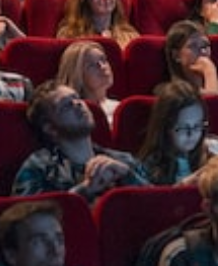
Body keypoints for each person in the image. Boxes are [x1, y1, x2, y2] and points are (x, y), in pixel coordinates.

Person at [11, 81, 148, 202]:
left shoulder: (123, 160)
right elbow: (27, 219)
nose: (77, 104)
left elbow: (159, 207)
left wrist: (127, 175)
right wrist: (84, 190)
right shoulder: (39, 166)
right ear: (50, 128)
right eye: (66, 106)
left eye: (77, 98)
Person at [136, 80, 218, 186]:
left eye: (197, 126)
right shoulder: (150, 165)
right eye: (183, 128)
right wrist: (182, 187)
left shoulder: (213, 150)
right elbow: (151, 200)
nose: (191, 134)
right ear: (165, 127)